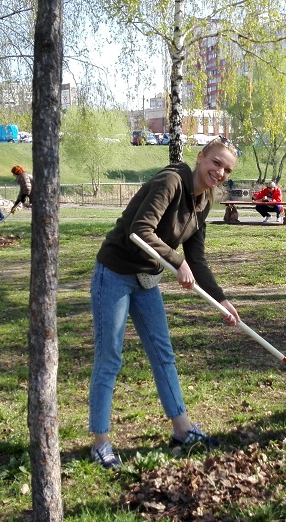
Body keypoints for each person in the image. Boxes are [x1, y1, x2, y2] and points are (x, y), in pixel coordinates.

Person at [89, 135, 241, 469]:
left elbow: (196, 260)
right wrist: (176, 261)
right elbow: (139, 229)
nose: (220, 172)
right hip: (114, 273)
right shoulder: (172, 179)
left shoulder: (203, 203)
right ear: (201, 157)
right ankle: (100, 442)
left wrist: (222, 299)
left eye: (226, 169)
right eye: (216, 162)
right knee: (110, 357)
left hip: (146, 280)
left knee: (163, 354)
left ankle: (182, 430)